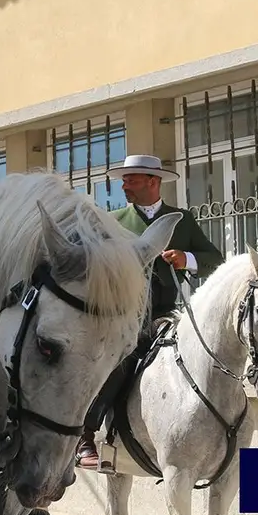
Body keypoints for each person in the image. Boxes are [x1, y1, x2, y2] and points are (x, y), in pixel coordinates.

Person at [73, 154, 224, 467]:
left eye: (132, 178)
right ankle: (86, 434)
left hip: (167, 313)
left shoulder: (181, 219)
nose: (124, 184)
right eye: (124, 179)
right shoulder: (112, 221)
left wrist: (186, 258)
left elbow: (214, 259)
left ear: (153, 181)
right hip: (125, 314)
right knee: (122, 358)